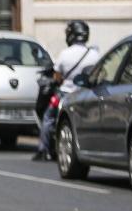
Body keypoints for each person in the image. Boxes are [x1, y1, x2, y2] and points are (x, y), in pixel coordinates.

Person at [33, 19, 99, 161]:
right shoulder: (95, 54)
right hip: (86, 96)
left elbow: (57, 77)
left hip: (65, 95)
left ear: (71, 35)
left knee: (48, 117)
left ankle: (44, 150)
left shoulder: (65, 54)